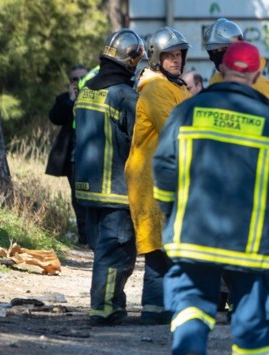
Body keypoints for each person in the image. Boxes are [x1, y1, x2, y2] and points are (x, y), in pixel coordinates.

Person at [153, 41, 269, 355]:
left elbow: (163, 169)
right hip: (249, 237)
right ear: (254, 74)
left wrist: (173, 212)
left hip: (195, 229)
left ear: (221, 70)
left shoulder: (189, 109)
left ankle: (188, 347)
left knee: (192, 298)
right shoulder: (268, 118)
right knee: (251, 307)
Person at [73, 29, 145, 325]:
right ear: (130, 61)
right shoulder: (124, 96)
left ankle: (115, 303)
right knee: (117, 252)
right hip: (115, 189)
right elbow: (138, 139)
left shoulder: (88, 89)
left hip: (86, 188)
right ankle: (103, 309)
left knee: (102, 250)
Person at [125, 26, 192, 324]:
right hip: (150, 179)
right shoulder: (154, 89)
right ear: (156, 58)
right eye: (170, 56)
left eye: (179, 55)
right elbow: (176, 131)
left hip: (169, 179)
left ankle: (166, 310)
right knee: (156, 248)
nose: (176, 60)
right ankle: (152, 314)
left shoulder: (176, 87)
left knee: (170, 247)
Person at [47, 64, 88, 245]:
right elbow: (55, 118)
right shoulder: (64, 99)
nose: (78, 82)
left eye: (82, 78)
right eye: (75, 79)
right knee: (77, 198)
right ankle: (84, 236)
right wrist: (71, 100)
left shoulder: (96, 98)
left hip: (93, 156)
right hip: (72, 157)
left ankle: (94, 236)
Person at [203, 18, 269, 106]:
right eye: (215, 51)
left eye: (224, 49)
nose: (219, 55)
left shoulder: (263, 87)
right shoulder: (215, 80)